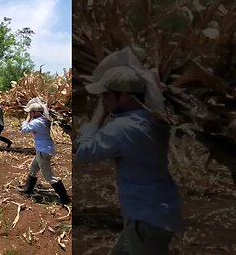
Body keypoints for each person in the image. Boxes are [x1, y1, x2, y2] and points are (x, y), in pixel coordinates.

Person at [74, 66, 184, 255]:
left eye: (106, 96)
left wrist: (98, 116)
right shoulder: (154, 120)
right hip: (155, 214)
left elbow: (83, 152)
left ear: (124, 96)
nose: (103, 100)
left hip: (146, 218)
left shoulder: (124, 128)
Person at [18, 102, 71, 205]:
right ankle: (27, 189)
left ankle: (65, 199)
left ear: (36, 112)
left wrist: (28, 118)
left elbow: (23, 130)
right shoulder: (45, 120)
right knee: (33, 168)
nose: (30, 114)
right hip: (45, 150)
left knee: (49, 177)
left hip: (43, 151)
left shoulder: (36, 122)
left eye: (31, 112)